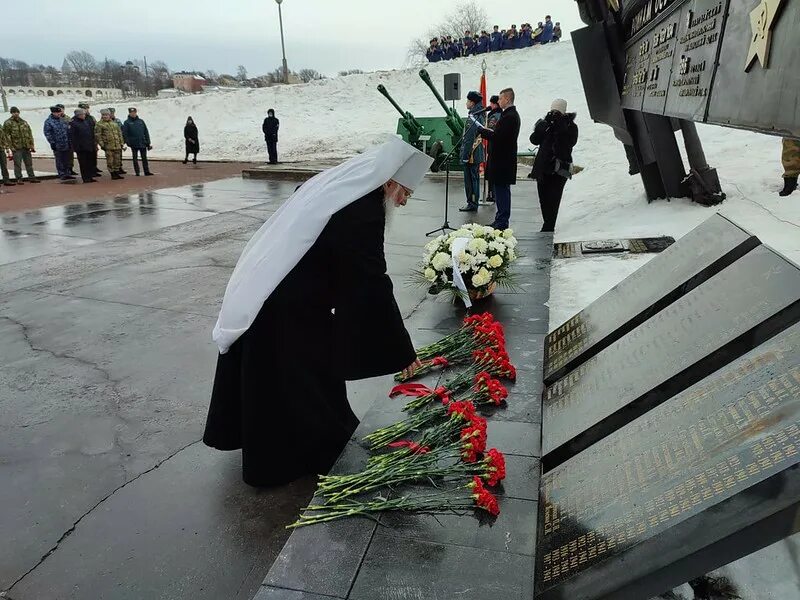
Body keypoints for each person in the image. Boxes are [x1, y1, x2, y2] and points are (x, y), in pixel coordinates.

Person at [204, 136, 433, 486]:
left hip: (280, 294)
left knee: (303, 378)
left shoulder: (343, 188)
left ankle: (308, 444)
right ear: (389, 182)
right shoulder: (364, 208)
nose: (403, 202)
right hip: (287, 306)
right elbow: (370, 280)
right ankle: (287, 459)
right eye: (406, 193)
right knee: (302, 379)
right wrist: (402, 350)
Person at [530, 99, 579, 232]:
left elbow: (569, 144)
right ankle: (547, 222)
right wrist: (540, 128)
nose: (554, 113)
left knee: (554, 197)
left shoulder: (570, 126)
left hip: (559, 169)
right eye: (552, 111)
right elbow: (534, 140)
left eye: (557, 111)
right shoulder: (546, 124)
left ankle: (549, 226)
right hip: (543, 167)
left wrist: (561, 127)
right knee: (543, 197)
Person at [475, 88, 520, 230]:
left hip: (503, 161)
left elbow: (499, 137)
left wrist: (483, 132)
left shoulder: (510, 116)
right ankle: (500, 219)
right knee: (501, 191)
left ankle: (502, 222)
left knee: (502, 192)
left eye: (500, 99)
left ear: (507, 99)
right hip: (502, 160)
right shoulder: (508, 115)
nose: (498, 101)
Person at [459, 91, 486, 212]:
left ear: (472, 102)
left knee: (470, 180)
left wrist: (464, 156)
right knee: (474, 178)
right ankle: (473, 201)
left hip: (471, 154)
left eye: (468, 101)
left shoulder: (473, 117)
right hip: (477, 152)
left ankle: (472, 202)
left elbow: (469, 138)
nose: (466, 103)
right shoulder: (479, 114)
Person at [3, 107, 39, 184]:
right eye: (14, 112)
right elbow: (6, 136)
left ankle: (32, 177)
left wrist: (31, 145)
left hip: (26, 146)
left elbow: (29, 134)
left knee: (29, 163)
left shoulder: (24, 122)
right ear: (11, 113)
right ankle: (19, 178)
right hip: (16, 147)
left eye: (17, 112)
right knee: (17, 164)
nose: (16, 113)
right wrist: (10, 147)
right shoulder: (8, 123)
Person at [43, 106, 75, 182]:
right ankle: (62, 174)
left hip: (66, 143)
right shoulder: (49, 122)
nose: (58, 114)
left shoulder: (62, 120)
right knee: (60, 160)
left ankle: (68, 173)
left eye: (59, 112)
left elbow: (67, 130)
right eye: (57, 113)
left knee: (67, 159)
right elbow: (48, 133)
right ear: (53, 113)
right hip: (57, 144)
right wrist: (52, 143)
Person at [121, 107, 153, 176]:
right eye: (131, 113)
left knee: (144, 158)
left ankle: (146, 171)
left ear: (136, 113)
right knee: (135, 159)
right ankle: (137, 172)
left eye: (134, 112)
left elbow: (146, 131)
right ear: (129, 113)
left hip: (142, 142)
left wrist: (148, 141)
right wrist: (128, 142)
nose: (133, 114)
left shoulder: (141, 121)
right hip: (133, 143)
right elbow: (125, 133)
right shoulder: (127, 122)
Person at [69, 108, 98, 183]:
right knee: (83, 163)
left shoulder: (86, 122)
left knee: (90, 162)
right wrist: (76, 147)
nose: (84, 116)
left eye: (84, 114)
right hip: (81, 147)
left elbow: (91, 133)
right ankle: (85, 178)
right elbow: (72, 136)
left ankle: (90, 176)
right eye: (82, 114)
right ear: (78, 115)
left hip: (89, 145)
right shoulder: (73, 123)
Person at [95, 109, 125, 180]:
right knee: (110, 161)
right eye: (104, 115)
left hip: (117, 145)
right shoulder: (99, 124)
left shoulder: (114, 123)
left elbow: (119, 133)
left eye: (106, 115)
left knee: (117, 160)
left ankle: (117, 172)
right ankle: (112, 173)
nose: (105, 116)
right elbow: (98, 136)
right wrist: (102, 145)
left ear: (109, 115)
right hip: (108, 146)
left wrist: (121, 142)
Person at [484, 95, 502, 204]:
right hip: (498, 147)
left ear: (494, 104)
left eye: (491, 103)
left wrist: (483, 131)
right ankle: (493, 194)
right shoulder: (503, 114)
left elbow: (490, 130)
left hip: (493, 146)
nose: (489, 106)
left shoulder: (494, 116)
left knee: (492, 172)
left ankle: (492, 194)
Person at [78, 102, 102, 177]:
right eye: (83, 109)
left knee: (94, 156)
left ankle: (94, 169)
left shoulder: (91, 118)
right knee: (86, 158)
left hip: (93, 140)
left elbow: (96, 127)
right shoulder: (78, 118)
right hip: (84, 142)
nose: (85, 110)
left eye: (86, 108)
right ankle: (89, 172)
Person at [56, 103, 77, 176]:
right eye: (59, 109)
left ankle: (70, 169)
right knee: (61, 158)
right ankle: (62, 172)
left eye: (62, 109)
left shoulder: (68, 118)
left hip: (69, 140)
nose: (61, 111)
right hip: (60, 142)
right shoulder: (56, 119)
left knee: (70, 156)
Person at [109, 107, 126, 174]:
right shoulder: (106, 122)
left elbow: (122, 129)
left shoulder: (117, 120)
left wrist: (123, 139)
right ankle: (114, 170)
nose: (112, 114)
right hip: (111, 142)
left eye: (113, 113)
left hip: (118, 141)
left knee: (119, 156)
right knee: (112, 157)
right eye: (111, 113)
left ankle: (119, 167)